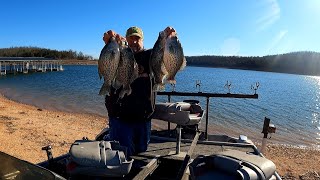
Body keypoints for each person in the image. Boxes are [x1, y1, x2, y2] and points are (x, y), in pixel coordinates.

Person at [103, 26, 156, 157]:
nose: (134, 42)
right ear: (126, 40)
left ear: (142, 40)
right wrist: (111, 42)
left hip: (143, 117)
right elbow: (109, 58)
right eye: (130, 39)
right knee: (120, 155)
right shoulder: (118, 54)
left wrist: (169, 37)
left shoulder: (150, 56)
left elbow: (164, 53)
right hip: (119, 117)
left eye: (137, 38)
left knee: (141, 153)